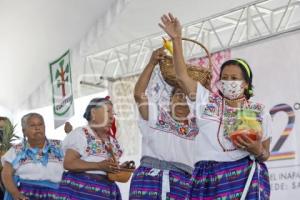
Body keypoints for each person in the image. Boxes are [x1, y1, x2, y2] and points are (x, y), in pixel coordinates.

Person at [159, 13, 271, 199]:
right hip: (207, 177)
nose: (228, 82)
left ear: (245, 84)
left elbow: (265, 153)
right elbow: (182, 76)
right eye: (224, 78)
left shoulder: (259, 111)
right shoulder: (206, 101)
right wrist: (177, 39)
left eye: (234, 78)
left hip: (244, 177)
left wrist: (257, 149)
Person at [129, 48, 199, 199]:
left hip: (183, 185)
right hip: (150, 180)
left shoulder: (197, 127)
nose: (182, 100)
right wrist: (151, 63)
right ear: (170, 99)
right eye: (178, 95)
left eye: (187, 97)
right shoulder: (157, 114)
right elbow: (139, 95)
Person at [59, 97, 127, 200]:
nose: (111, 117)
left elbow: (108, 169)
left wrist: (121, 168)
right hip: (79, 192)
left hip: (106, 193)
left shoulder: (113, 142)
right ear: (94, 113)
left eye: (112, 113)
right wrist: (99, 166)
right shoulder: (81, 134)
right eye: (107, 112)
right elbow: (69, 163)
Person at [1, 113, 64, 200]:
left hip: (57, 195)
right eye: (32, 125)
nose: (37, 128)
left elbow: (73, 163)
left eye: (40, 124)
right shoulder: (17, 150)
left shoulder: (59, 146)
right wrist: (15, 193)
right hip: (27, 195)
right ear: (24, 131)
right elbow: (6, 174)